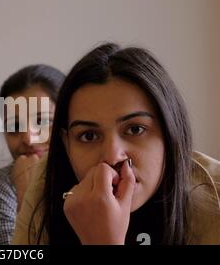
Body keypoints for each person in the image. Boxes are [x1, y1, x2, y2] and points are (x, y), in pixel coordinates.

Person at [12, 43, 220, 245]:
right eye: (89, 136)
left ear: (170, 134)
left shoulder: (215, 200)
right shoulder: (47, 181)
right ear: (67, 145)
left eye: (135, 129)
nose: (112, 157)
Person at [0, 64, 65, 244]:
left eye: (43, 121)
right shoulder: (3, 187)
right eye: (14, 126)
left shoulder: (99, 174)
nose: (28, 138)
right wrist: (27, 195)